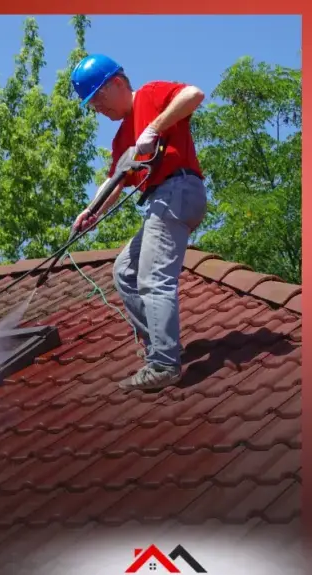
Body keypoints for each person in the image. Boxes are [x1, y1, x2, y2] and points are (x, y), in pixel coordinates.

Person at [70, 54, 208, 392]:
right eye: (92, 105)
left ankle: (164, 363)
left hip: (178, 189)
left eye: (98, 98)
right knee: (125, 272)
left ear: (117, 83)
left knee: (152, 277)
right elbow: (117, 180)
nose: (97, 109)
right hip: (163, 200)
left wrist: (154, 128)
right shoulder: (121, 140)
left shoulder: (149, 94)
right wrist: (92, 211)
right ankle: (160, 347)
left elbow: (194, 94)